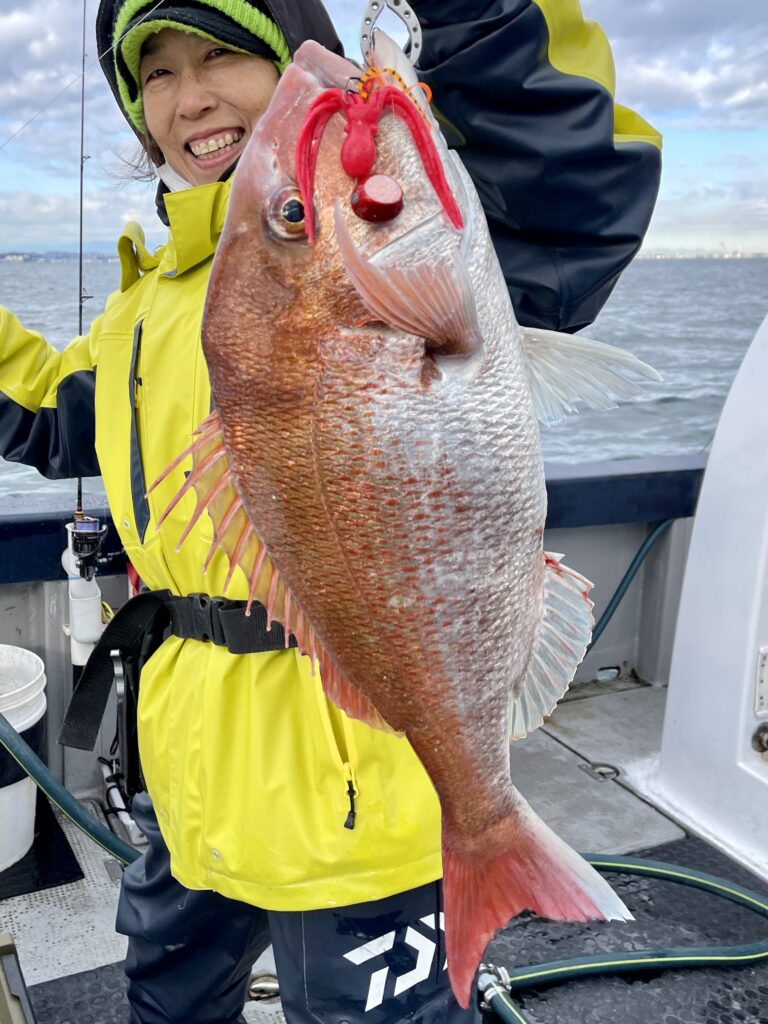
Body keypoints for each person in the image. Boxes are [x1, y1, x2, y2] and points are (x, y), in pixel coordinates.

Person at [0, 1, 661, 1021]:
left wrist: (470, 16)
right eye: (158, 72)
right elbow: (53, 416)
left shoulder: (400, 243)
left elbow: (575, 172)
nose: (191, 95)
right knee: (167, 1005)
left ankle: (483, 832)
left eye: (221, 52)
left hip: (357, 790)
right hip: (188, 779)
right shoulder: (140, 309)